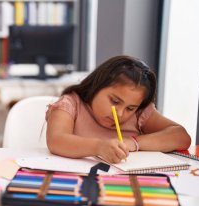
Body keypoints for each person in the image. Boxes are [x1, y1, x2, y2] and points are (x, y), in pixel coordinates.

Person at [46, 55, 191, 163]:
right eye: (115, 101)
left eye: (130, 108)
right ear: (97, 85)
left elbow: (181, 136)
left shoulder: (139, 114)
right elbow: (56, 140)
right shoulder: (71, 104)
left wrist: (133, 142)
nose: (120, 113)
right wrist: (98, 147)